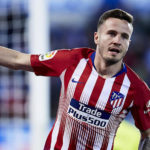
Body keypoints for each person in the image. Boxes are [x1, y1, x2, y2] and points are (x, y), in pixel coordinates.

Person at [0, 8, 150, 150]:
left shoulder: (136, 88)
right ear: (96, 37)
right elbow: (18, 59)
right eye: (111, 33)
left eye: (124, 36)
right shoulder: (73, 60)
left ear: (128, 44)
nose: (117, 40)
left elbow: (147, 134)